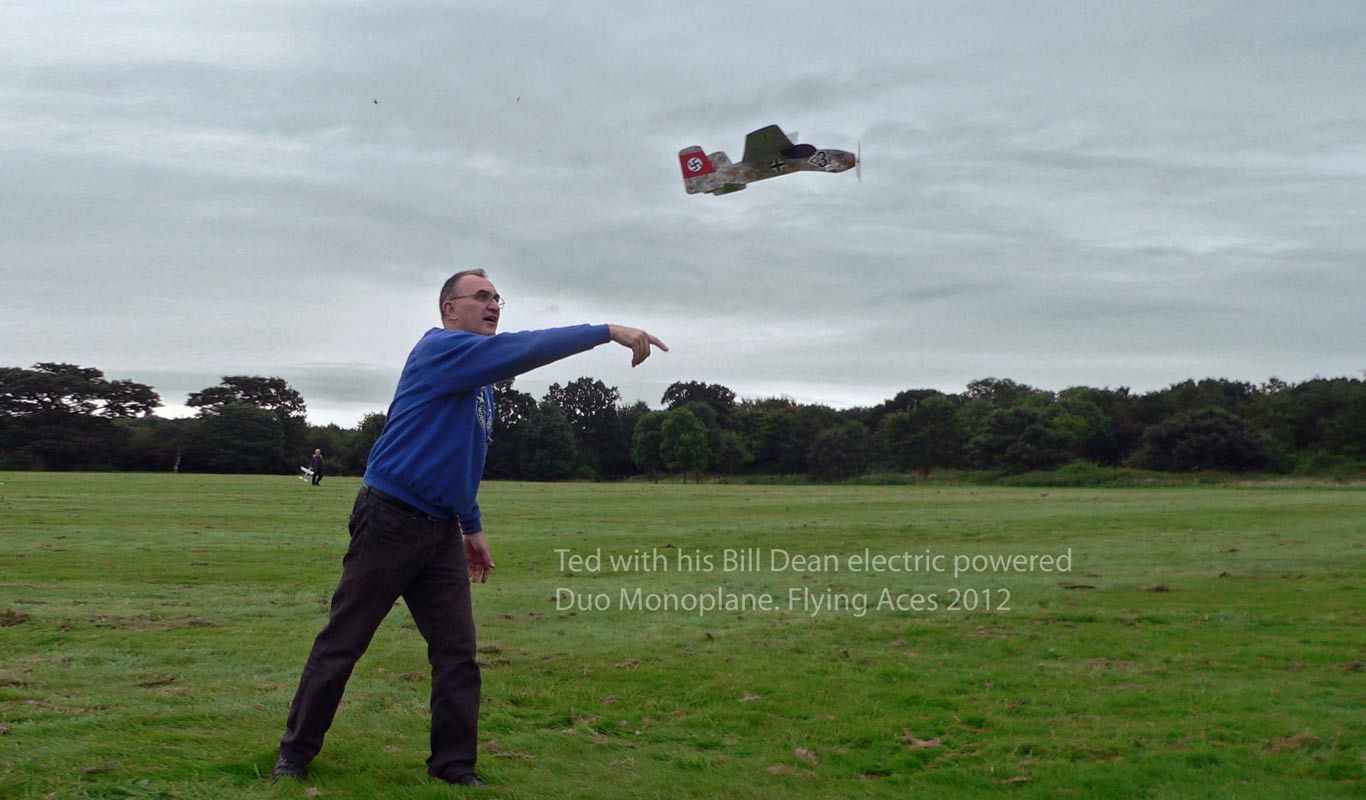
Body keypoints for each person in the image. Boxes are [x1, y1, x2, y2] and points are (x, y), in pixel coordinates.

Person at [272, 269, 666, 786]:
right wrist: (606, 331)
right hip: (388, 519)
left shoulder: (480, 386)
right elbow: (523, 349)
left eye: (498, 297)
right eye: (481, 296)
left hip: (440, 531)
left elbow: (463, 455)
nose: (494, 304)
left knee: (457, 656)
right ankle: (294, 757)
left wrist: (470, 525)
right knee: (344, 642)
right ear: (449, 309)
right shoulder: (439, 350)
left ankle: (454, 768)